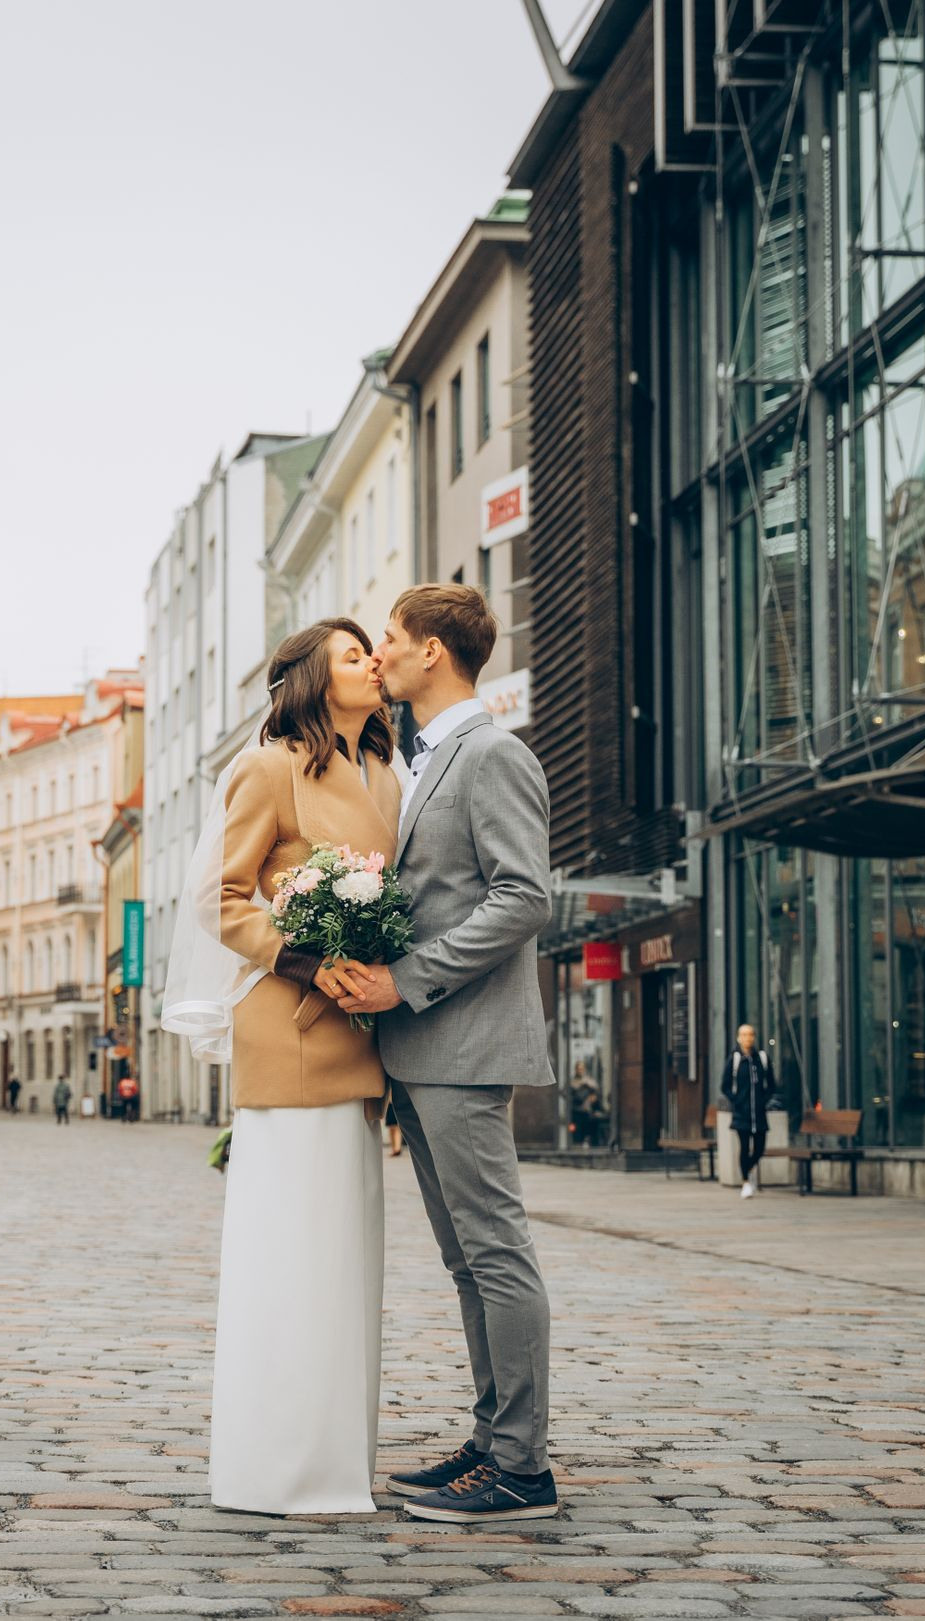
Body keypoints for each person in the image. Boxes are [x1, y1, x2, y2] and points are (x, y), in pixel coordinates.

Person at [163, 617, 402, 1516]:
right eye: (352, 655)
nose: (371, 663)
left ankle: (337, 1463)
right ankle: (273, 1468)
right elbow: (220, 897)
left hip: (366, 1039)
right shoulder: (269, 767)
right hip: (293, 1029)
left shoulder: (385, 773)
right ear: (310, 675)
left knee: (346, 1265)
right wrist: (302, 956)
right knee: (290, 1259)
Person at [335, 584, 560, 1524]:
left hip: (462, 1041)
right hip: (426, 1050)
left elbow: (524, 897)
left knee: (496, 1253)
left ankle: (523, 1470)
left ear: (433, 652)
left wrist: (406, 979)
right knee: (468, 1261)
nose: (378, 652)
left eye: (388, 638)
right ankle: (489, 1442)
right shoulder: (424, 758)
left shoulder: (492, 751)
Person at [722, 1023, 777, 1200]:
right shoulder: (735, 1060)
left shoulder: (762, 1058)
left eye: (751, 1035)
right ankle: (746, 1182)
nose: (748, 1038)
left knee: (760, 1148)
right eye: (744, 1035)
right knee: (744, 1147)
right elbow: (725, 1086)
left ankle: (749, 1168)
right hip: (742, 1114)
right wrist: (737, 1101)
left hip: (759, 1113)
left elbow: (772, 1084)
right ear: (739, 1037)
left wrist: (764, 1101)